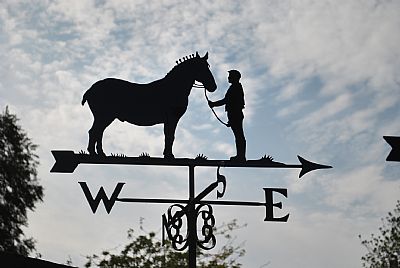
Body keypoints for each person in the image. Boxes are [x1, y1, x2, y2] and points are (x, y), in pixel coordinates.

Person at [208, 70, 246, 161]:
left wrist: (213, 104)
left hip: (235, 114)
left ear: (234, 77)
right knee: (238, 135)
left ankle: (241, 156)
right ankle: (240, 156)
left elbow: (227, 100)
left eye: (230, 76)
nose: (228, 78)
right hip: (234, 115)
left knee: (239, 136)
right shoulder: (235, 87)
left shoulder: (235, 87)